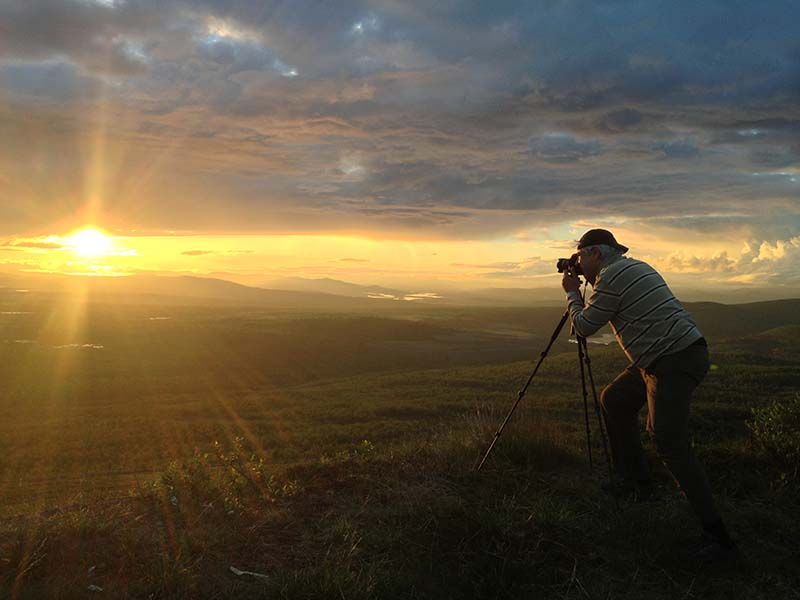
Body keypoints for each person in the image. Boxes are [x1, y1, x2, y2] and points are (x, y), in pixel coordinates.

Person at [561, 228, 738, 563]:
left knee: (668, 440)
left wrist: (572, 292)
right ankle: (636, 482)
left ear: (596, 254)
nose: (580, 264)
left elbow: (583, 327)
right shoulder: (633, 267)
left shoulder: (612, 277)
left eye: (581, 256)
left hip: (671, 360)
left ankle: (718, 538)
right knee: (615, 400)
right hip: (668, 356)